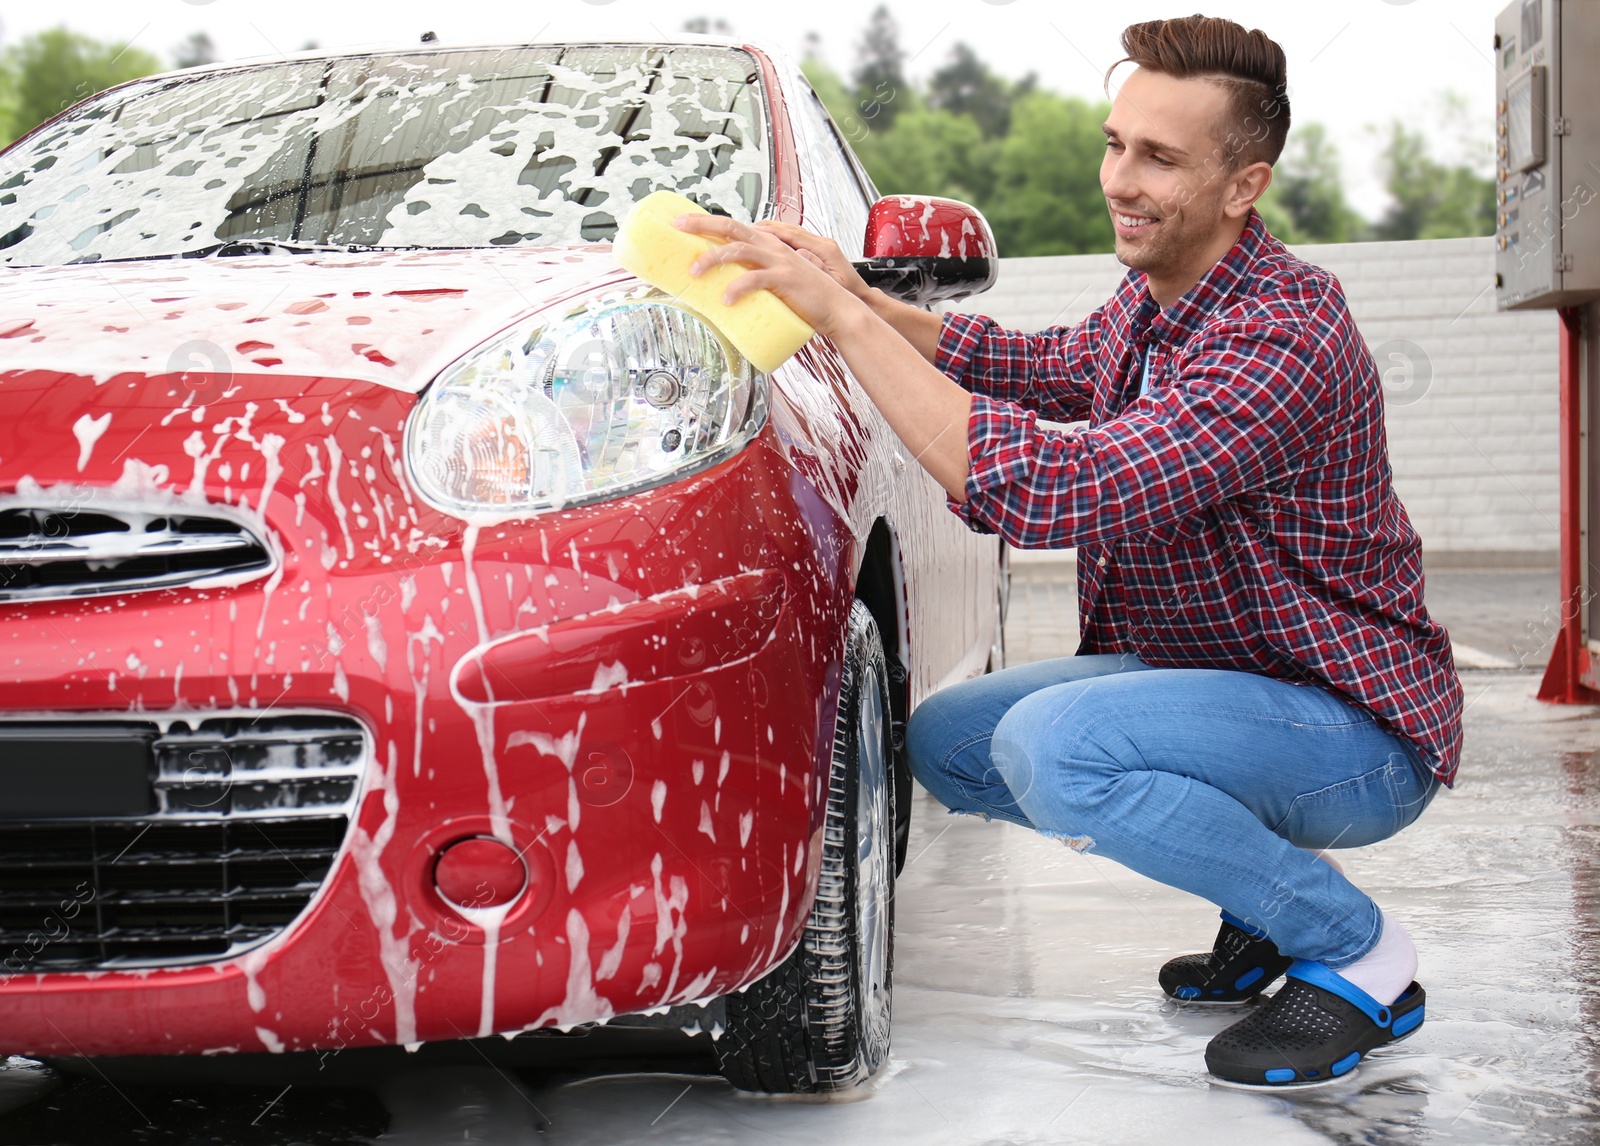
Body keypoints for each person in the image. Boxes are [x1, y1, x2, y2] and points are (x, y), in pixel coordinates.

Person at [672, 13, 1463, 1088]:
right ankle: (1266, 906)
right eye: (1115, 143)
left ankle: (1360, 953)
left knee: (1059, 750)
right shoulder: (1156, 301)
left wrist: (840, 326)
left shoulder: (1280, 337)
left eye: (1160, 158)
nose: (1119, 180)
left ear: (1245, 186)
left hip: (1349, 724)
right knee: (950, 741)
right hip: (1227, 679)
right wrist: (854, 289)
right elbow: (1023, 361)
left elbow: (1054, 489)